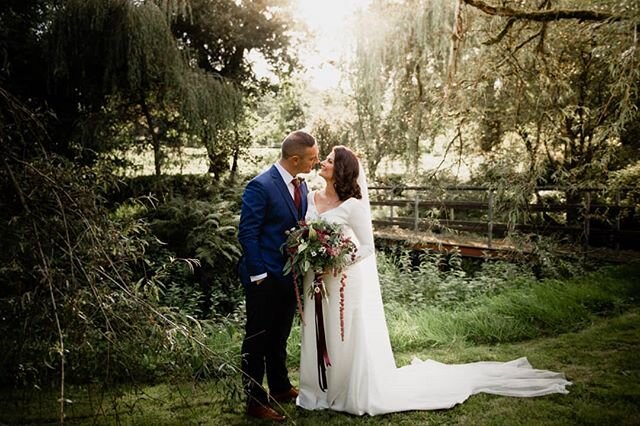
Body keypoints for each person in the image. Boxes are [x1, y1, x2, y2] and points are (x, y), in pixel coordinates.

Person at [297, 145, 571, 415]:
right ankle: (318, 392)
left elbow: (368, 247)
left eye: (330, 160)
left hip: (343, 279)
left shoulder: (353, 205)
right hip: (316, 279)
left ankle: (346, 391)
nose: (323, 163)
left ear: (341, 170)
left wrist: (339, 261)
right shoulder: (311, 197)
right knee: (319, 328)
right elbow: (304, 234)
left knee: (344, 333)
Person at [238, 130, 320, 421]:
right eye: (312, 158)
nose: (316, 162)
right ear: (295, 159)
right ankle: (254, 401)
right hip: (263, 277)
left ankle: (281, 387)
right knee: (257, 339)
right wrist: (259, 275)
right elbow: (247, 233)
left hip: (289, 277)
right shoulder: (260, 186)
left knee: (279, 335)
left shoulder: (302, 185)